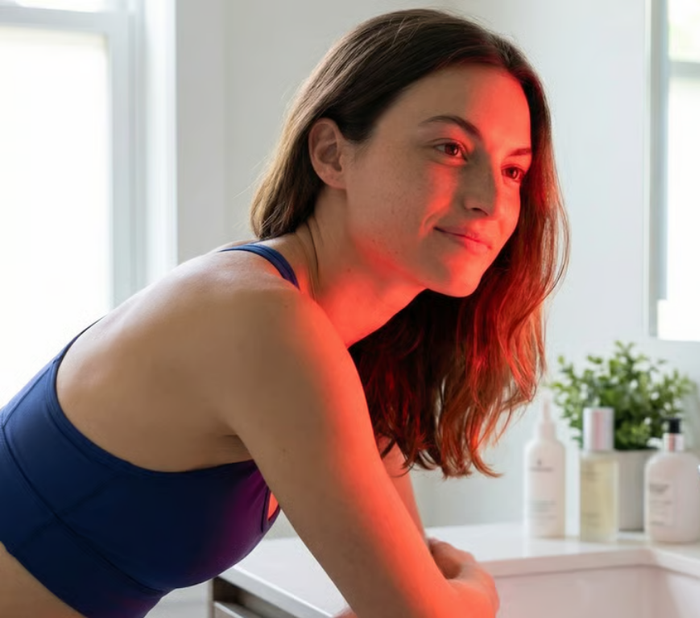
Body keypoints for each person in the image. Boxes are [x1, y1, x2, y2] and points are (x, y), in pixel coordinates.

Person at [0, 8, 568, 618]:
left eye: (514, 169)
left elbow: (399, 589)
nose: (491, 199)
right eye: (451, 148)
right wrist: (479, 589)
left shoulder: (342, 345)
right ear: (332, 154)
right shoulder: (260, 320)